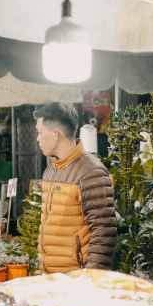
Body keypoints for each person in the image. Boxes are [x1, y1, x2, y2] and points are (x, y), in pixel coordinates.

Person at [34, 102, 116, 273]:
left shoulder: (91, 172)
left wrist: (89, 280)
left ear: (55, 134)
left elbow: (104, 232)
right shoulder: (50, 171)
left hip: (76, 283)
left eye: (40, 133)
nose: (38, 138)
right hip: (50, 282)